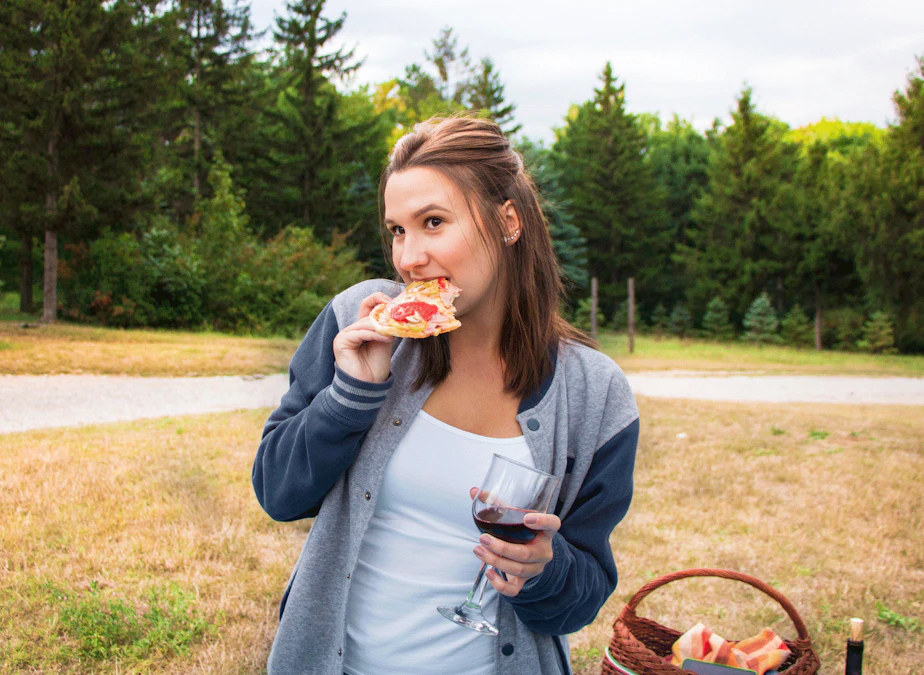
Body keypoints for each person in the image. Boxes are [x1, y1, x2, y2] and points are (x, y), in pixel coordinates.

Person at [252, 116, 640, 675]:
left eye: (433, 222)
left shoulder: (594, 394)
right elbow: (278, 494)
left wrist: (543, 571)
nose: (408, 258)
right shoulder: (357, 320)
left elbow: (579, 600)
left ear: (508, 221)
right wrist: (352, 394)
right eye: (397, 231)